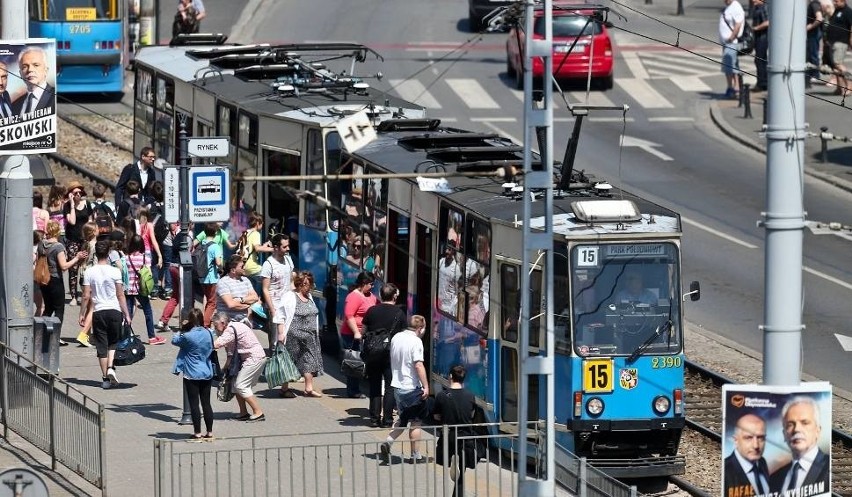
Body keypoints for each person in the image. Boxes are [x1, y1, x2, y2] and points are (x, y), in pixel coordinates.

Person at [79, 240, 132, 389]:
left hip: (98, 311)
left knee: (101, 345)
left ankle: (105, 380)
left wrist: (82, 313)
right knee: (113, 341)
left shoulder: (89, 272)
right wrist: (126, 313)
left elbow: (86, 295)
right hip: (114, 310)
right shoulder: (115, 271)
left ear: (95, 254)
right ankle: (111, 367)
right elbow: (120, 295)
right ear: (109, 253)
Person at [380, 315, 429, 464]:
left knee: (402, 418)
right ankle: (415, 455)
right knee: (415, 422)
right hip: (411, 388)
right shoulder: (416, 341)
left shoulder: (397, 337)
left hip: (397, 386)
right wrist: (426, 386)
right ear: (420, 328)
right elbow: (418, 365)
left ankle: (388, 441)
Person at [362, 283, 407, 427]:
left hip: (373, 353)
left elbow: (363, 332)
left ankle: (374, 419)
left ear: (380, 295)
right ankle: (387, 420)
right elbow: (403, 335)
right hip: (390, 355)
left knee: (374, 385)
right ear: (394, 296)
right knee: (390, 387)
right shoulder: (399, 313)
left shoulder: (371, 310)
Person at [212, 312, 267, 422]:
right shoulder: (235, 326)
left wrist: (200, 342)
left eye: (215, 325)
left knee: (241, 385)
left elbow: (216, 344)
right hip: (251, 358)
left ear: (223, 323)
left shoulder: (230, 330)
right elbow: (231, 351)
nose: (215, 328)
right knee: (235, 385)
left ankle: (258, 412)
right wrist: (226, 366)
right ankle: (243, 412)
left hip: (254, 358)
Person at [433, 365, 478, 497]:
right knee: (460, 472)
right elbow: (472, 414)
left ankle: (453, 462)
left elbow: (436, 416)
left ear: (451, 376)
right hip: (465, 439)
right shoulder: (470, 396)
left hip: (448, 437)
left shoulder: (442, 395)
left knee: (455, 469)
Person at [769, 396, 830, 495]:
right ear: (784, 434)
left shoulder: (830, 468)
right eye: (790, 424)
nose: (796, 429)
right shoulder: (774, 478)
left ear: (818, 431)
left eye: (805, 423)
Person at [39, 220, 88, 341]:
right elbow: (64, 266)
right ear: (57, 232)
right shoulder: (58, 247)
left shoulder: (41, 244)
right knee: (59, 309)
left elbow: (37, 260)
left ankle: (42, 332)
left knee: (48, 308)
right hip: (55, 280)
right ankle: (56, 337)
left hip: (43, 279)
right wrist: (77, 257)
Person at [279, 271, 324, 398]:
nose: (307, 287)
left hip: (310, 337)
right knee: (290, 361)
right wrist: (281, 333)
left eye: (309, 284)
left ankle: (308, 389)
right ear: (299, 284)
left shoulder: (309, 297)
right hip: (293, 336)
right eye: (305, 284)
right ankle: (284, 389)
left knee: (309, 360)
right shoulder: (289, 296)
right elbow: (280, 315)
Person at [172, 308, 215, 440]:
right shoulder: (209, 333)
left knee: (194, 403)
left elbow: (175, 340)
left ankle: (197, 433)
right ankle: (209, 432)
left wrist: (182, 327)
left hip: (192, 373)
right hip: (207, 371)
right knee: (206, 403)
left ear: (190, 321)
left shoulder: (187, 336)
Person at [341, 272, 377, 398]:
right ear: (363, 284)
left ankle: (357, 387)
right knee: (354, 362)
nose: (372, 286)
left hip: (365, 334)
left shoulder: (370, 296)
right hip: (352, 335)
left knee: (361, 361)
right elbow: (349, 315)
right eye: (370, 284)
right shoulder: (353, 296)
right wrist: (356, 332)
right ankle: (353, 390)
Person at [125, 234, 163, 345]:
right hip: (141, 289)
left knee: (128, 313)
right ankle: (151, 337)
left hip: (129, 289)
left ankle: (125, 336)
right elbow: (149, 274)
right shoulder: (145, 258)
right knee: (148, 312)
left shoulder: (126, 258)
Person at [723, 413, 770, 497]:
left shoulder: (762, 462)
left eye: (760, 438)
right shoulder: (725, 471)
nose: (756, 445)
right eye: (748, 438)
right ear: (736, 440)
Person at [261, 233, 294, 351]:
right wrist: (272, 310)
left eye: (288, 246)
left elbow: (291, 282)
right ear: (275, 247)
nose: (288, 249)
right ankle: (274, 362)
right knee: (275, 341)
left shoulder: (288, 260)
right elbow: (265, 289)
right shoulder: (268, 264)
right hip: (275, 305)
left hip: (288, 305)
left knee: (288, 337)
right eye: (284, 247)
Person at [63, 180, 93, 305]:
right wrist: (71, 204)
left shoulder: (87, 204)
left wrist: (91, 237)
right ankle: (74, 296)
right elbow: (73, 222)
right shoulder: (66, 206)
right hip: (73, 240)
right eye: (75, 193)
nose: (78, 195)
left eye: (80, 192)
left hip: (85, 240)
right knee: (73, 268)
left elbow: (91, 221)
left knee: (86, 267)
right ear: (71, 194)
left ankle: (86, 293)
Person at [216, 255, 260, 323]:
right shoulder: (223, 283)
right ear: (233, 270)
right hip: (228, 324)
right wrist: (249, 304)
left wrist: (241, 300)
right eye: (242, 267)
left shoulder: (246, 280)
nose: (244, 268)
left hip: (245, 323)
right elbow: (231, 305)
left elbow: (255, 297)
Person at [12, 46, 54, 116]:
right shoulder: (15, 104)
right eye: (25, 66)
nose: (30, 70)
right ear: (20, 74)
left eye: (36, 65)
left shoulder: (54, 97)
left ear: (46, 70)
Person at [243, 212, 274, 296]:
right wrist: (273, 249)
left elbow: (252, 248)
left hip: (244, 266)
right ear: (257, 223)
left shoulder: (246, 232)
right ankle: (260, 301)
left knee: (252, 290)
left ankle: (254, 304)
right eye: (262, 222)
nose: (263, 224)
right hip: (252, 267)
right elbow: (257, 248)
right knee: (269, 278)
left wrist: (264, 245)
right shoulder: (256, 233)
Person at [719, 0, 745, 99]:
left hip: (731, 42)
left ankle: (732, 88)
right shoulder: (729, 7)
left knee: (728, 66)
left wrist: (732, 37)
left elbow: (738, 24)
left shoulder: (736, 7)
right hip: (728, 42)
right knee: (733, 65)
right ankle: (737, 88)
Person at [825, 0, 852, 95]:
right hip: (832, 42)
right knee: (835, 67)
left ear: (843, 1)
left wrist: (850, 41)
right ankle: (839, 88)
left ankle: (849, 85)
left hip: (841, 42)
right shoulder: (837, 11)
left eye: (836, 1)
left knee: (838, 64)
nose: (834, 3)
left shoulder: (848, 12)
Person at [807, 0, 826, 85]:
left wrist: (810, 27)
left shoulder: (814, 4)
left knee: (813, 53)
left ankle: (815, 74)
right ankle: (814, 73)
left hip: (814, 33)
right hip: (816, 32)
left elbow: (819, 18)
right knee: (813, 53)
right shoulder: (817, 3)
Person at [751, 0, 769, 92]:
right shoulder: (757, 7)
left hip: (763, 36)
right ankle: (762, 82)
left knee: (760, 59)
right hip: (758, 37)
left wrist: (756, 28)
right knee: (759, 59)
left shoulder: (764, 7)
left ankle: (762, 83)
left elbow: (767, 22)